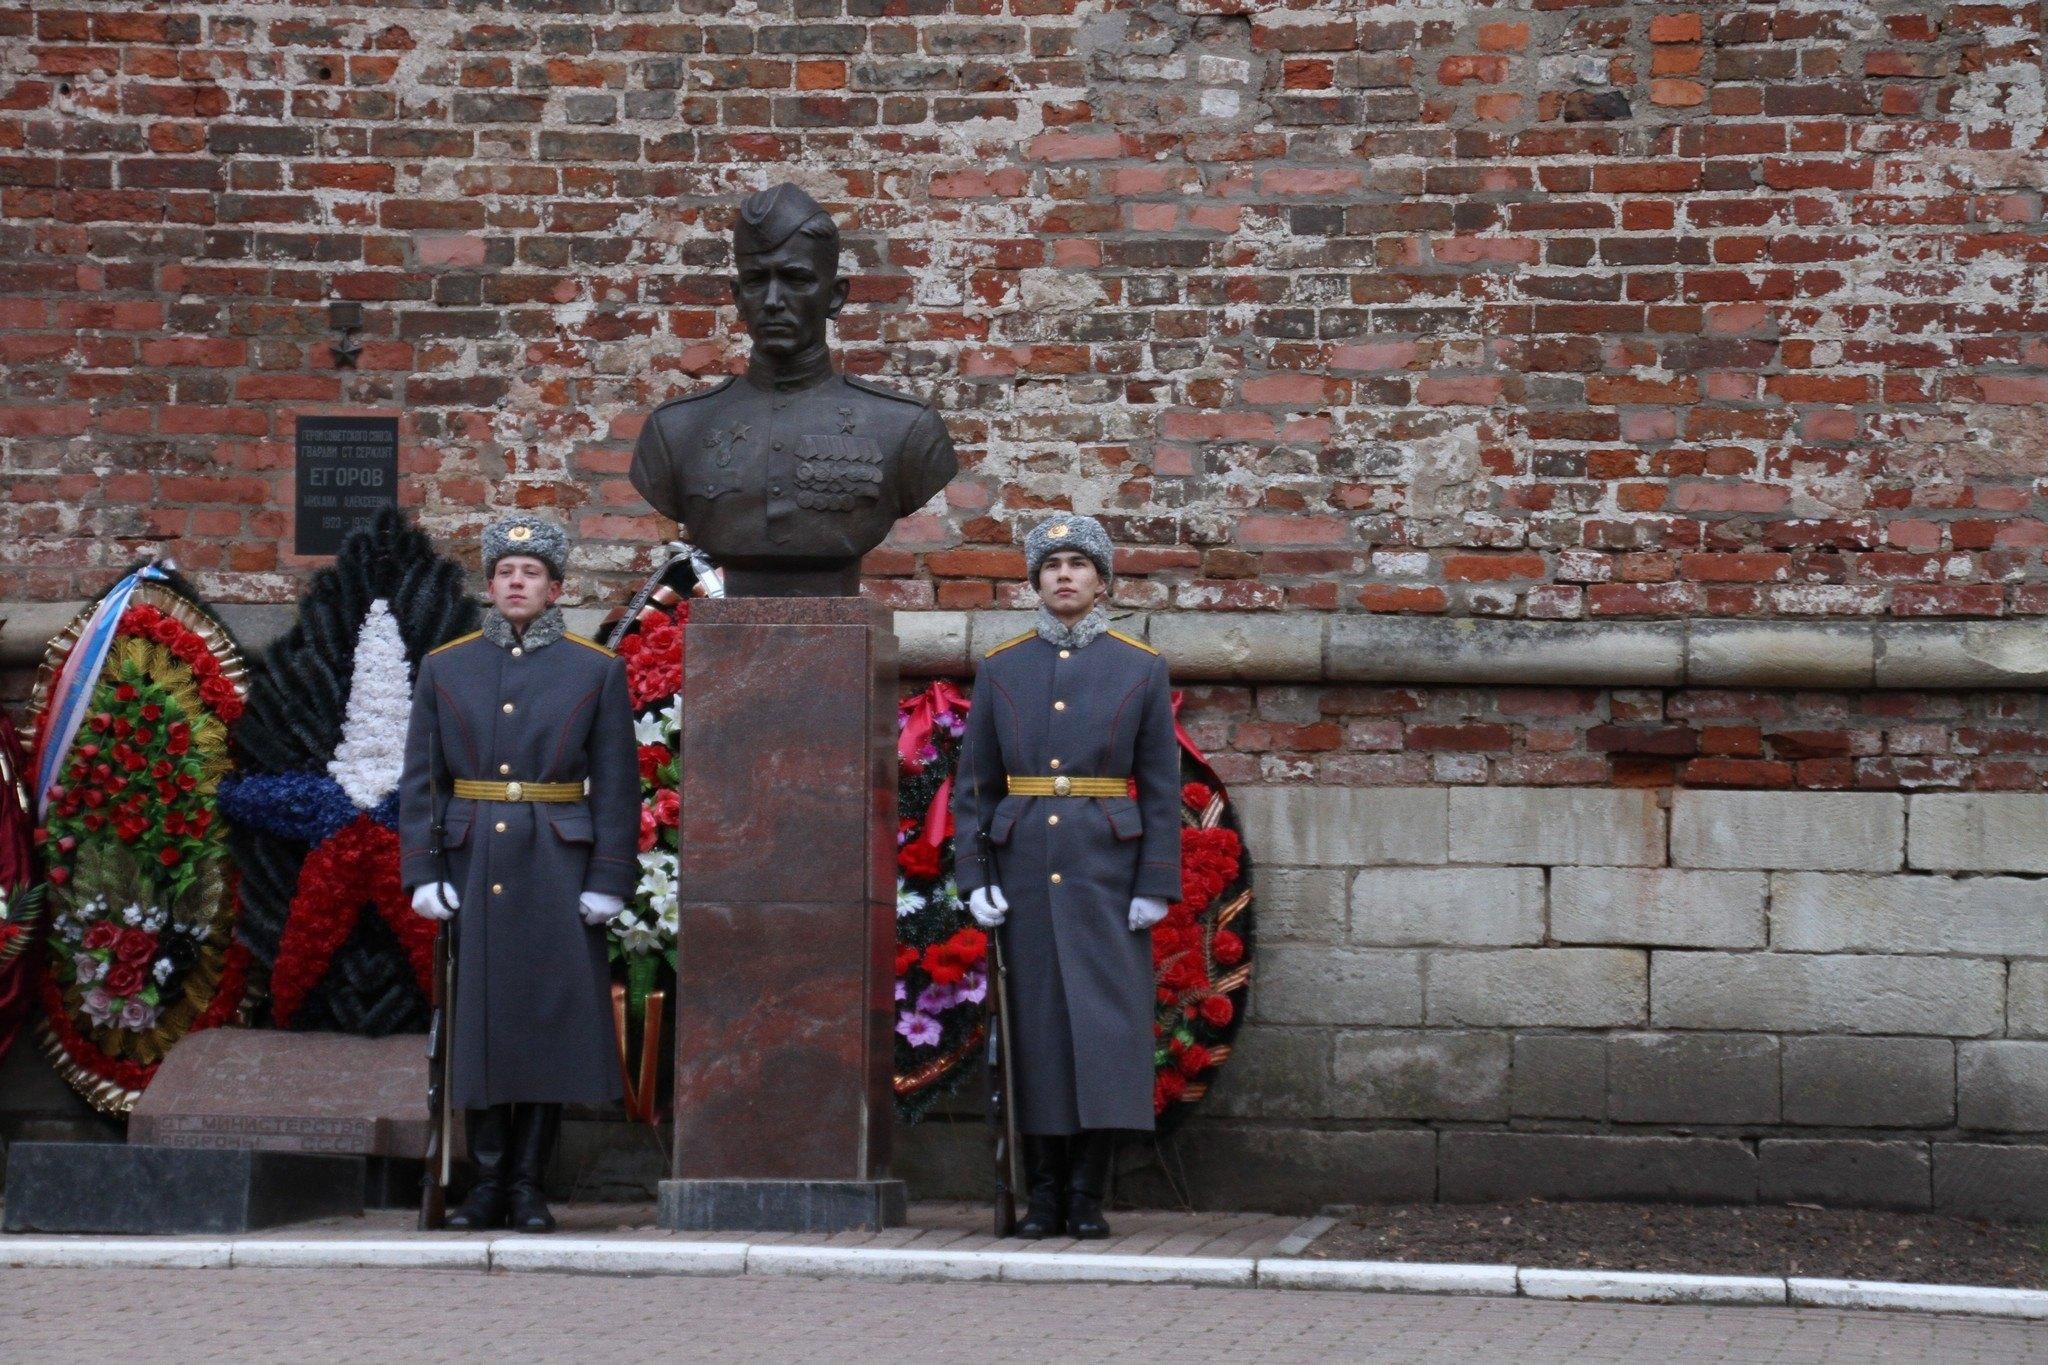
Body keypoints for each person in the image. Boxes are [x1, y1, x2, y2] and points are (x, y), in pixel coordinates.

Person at [398, 513, 640, 1233]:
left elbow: (618, 784)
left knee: (549, 1027)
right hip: (474, 863)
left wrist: (609, 876)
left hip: (557, 865)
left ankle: (529, 1183)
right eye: (504, 570)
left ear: (556, 588)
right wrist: (423, 866)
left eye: (530, 572)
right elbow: (423, 779)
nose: (515, 581)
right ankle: (486, 1181)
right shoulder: (448, 665)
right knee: (478, 1027)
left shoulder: (594, 670)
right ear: (490, 584)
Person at [951, 514, 1183, 1239]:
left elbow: (1160, 785)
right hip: (1023, 870)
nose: (1064, 575)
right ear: (1035, 580)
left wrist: (1155, 881)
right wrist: (975, 875)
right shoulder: (1002, 667)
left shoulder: (1139, 666)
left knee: (1104, 1029)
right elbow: (975, 787)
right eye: (1051, 564)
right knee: (1039, 1029)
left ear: (1103, 579)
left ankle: (1088, 1193)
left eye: (1079, 563)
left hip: (1106, 871)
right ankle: (1044, 1191)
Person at [627, 182, 958, 597]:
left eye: (795, 279)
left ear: (834, 297)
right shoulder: (675, 430)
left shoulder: (906, 428)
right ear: (737, 297)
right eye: (755, 281)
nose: (772, 300)